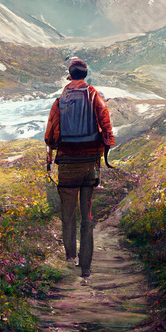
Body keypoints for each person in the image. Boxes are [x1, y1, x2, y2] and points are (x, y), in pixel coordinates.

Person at [44, 57, 114, 283]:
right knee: (87, 216)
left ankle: (69, 257)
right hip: (89, 165)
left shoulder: (59, 100)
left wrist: (55, 149)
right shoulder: (94, 95)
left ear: (70, 75)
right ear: (85, 75)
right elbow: (106, 125)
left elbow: (50, 136)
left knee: (68, 215)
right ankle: (85, 267)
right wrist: (103, 147)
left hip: (66, 165)